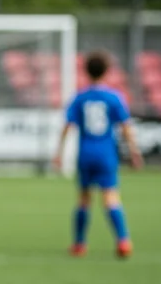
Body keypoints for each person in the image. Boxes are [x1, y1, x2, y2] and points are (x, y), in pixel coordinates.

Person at [53, 50, 143, 258]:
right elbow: (126, 127)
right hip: (106, 153)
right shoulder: (114, 97)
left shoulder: (80, 97)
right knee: (110, 197)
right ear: (107, 72)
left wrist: (59, 153)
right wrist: (134, 151)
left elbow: (67, 126)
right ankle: (123, 240)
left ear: (85, 71)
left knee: (84, 199)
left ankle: (79, 244)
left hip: (85, 153)